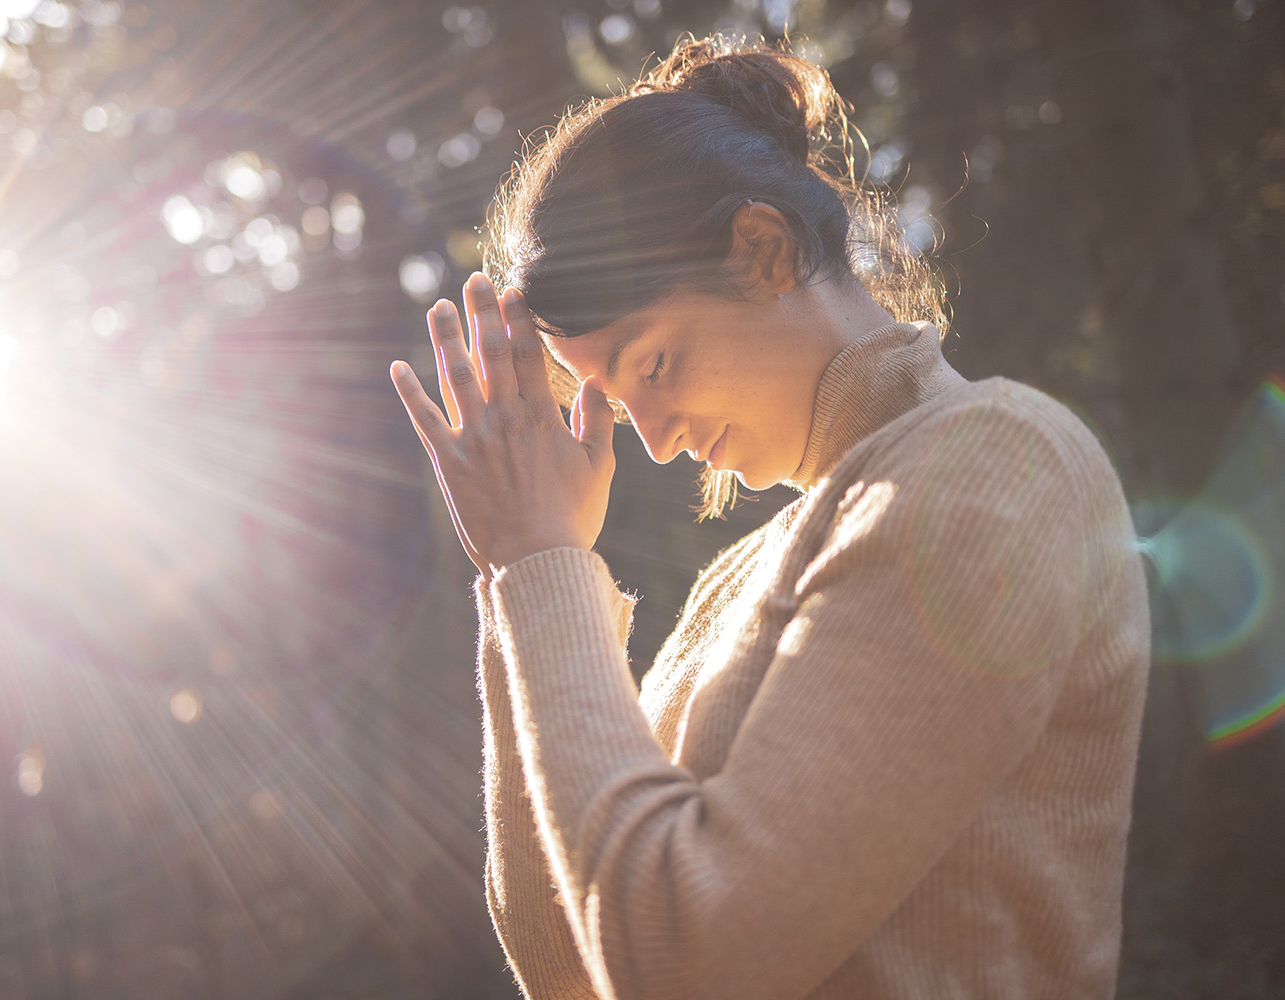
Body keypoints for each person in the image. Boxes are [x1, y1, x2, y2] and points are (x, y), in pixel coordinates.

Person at [389, 35, 1149, 1000]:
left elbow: (686, 961)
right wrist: (527, 573)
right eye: (618, 403)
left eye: (652, 366)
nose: (653, 443)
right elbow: (567, 965)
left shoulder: (993, 467)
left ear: (765, 250)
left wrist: (540, 562)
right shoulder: (742, 580)